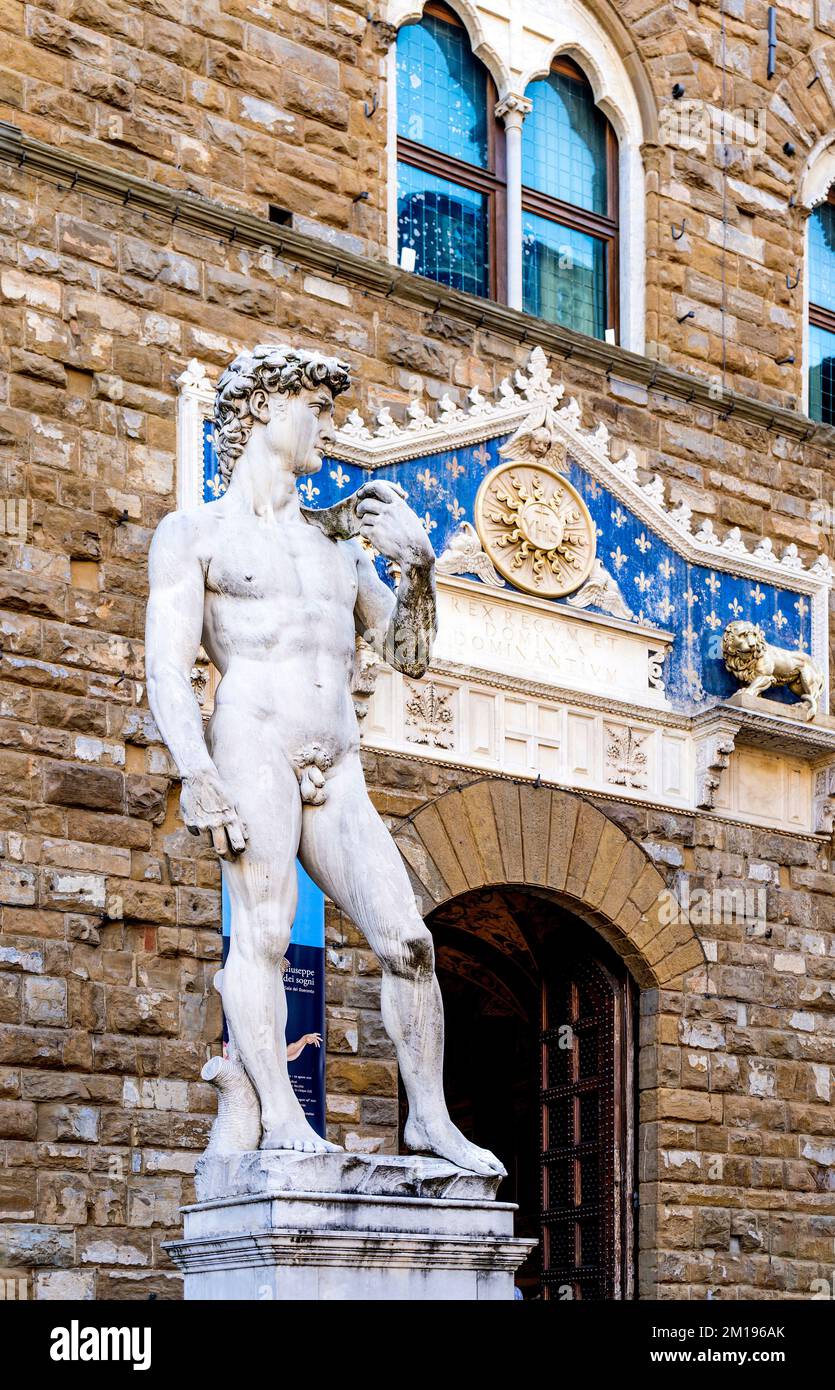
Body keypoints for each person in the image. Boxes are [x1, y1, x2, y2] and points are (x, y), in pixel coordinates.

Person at [145, 344, 504, 1176]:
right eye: (317, 407)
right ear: (265, 409)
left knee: (408, 941)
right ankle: (279, 1116)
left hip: (337, 761)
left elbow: (407, 654)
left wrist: (415, 570)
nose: (327, 427)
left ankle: (429, 1123)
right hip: (251, 740)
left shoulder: (337, 541)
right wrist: (194, 768)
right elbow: (167, 664)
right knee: (264, 934)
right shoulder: (195, 533)